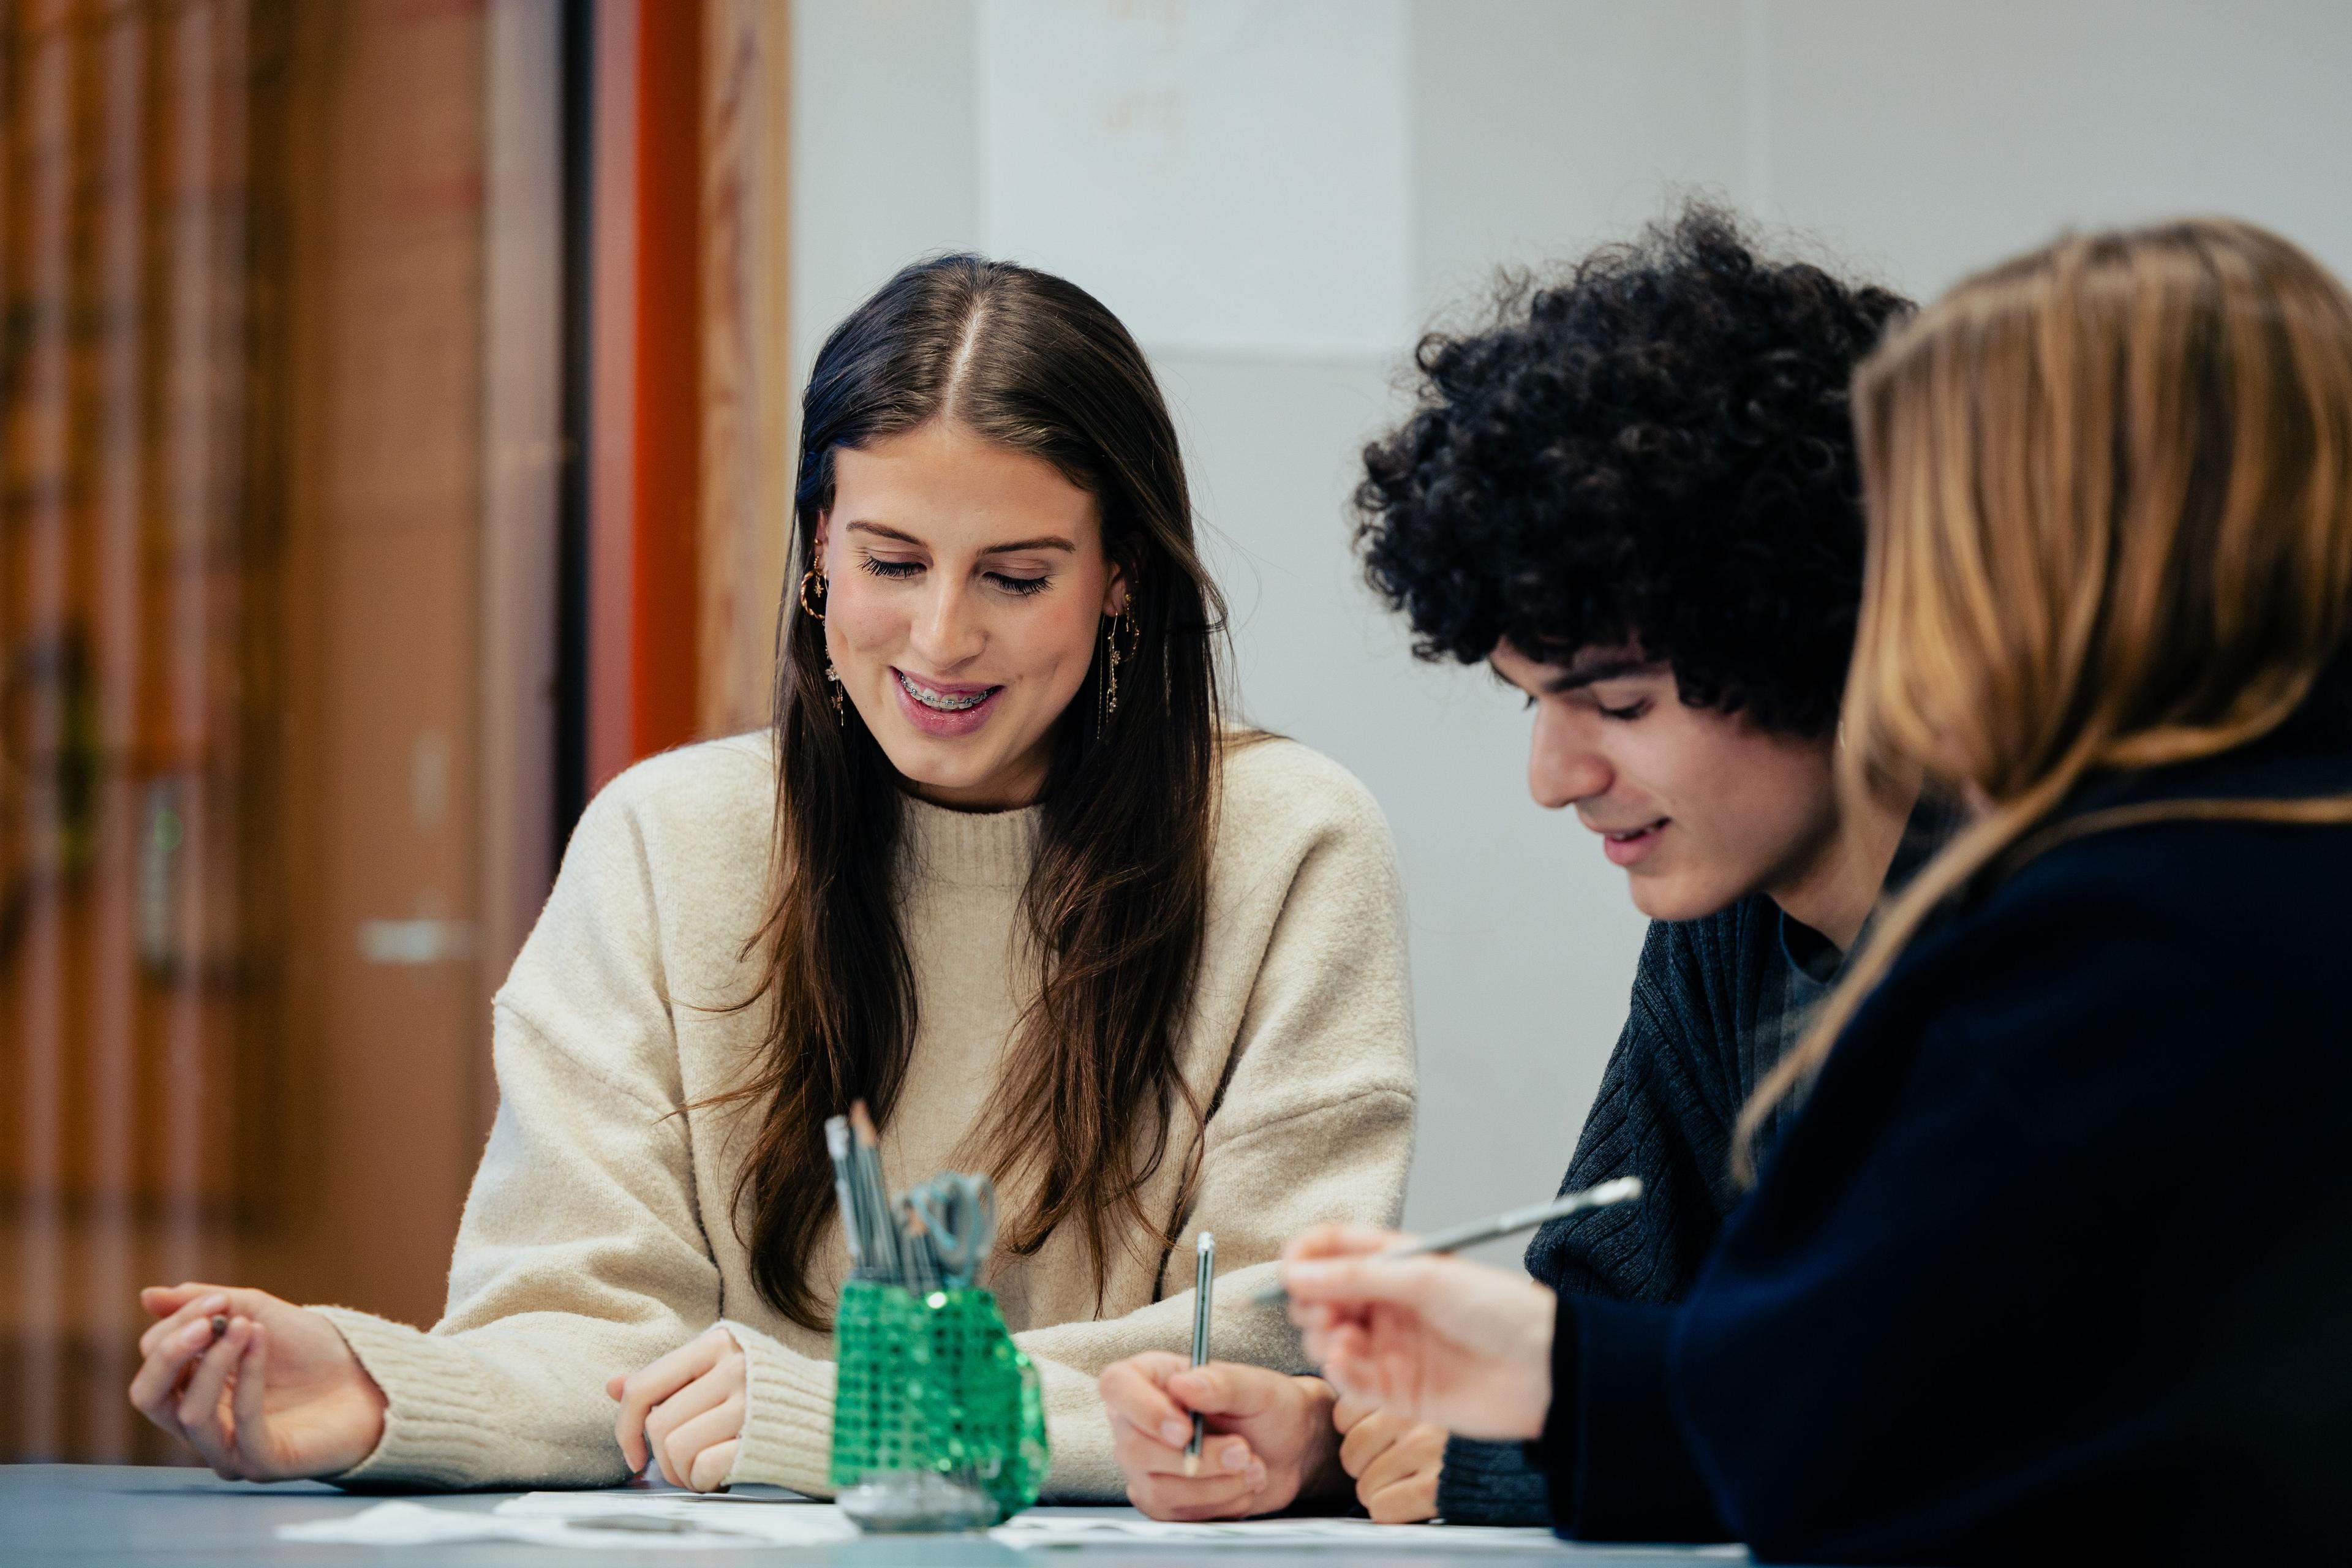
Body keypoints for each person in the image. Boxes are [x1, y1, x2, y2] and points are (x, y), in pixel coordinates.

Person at [125, 255, 1417, 1501]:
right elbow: (598, 1333)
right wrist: (383, 1387)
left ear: (1120, 574)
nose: (942, 636)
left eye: (1017, 577)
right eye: (891, 562)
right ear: (818, 546)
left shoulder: (1289, 842)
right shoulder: (664, 839)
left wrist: (844, 1422)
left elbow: (1271, 1353)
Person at [1279, 217, 2352, 1562]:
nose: (1900, 620)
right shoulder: (2169, 877)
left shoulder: (2126, 926)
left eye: (1941, 560)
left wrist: (1546, 1392)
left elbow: (1829, 1422)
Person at [1099, 203, 1920, 1525]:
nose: (1554, 776)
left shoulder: (2046, 936)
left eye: (1623, 703)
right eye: (1533, 698)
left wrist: (1514, 1438)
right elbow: (1595, 1328)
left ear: (1828, 638)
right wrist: (1335, 1437)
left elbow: (1906, 1418)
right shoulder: (1726, 925)